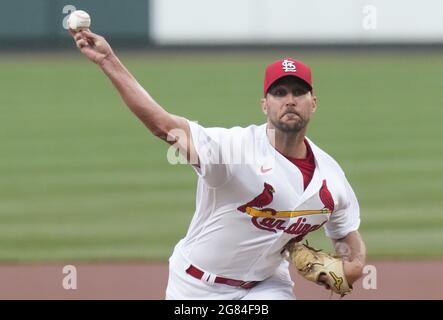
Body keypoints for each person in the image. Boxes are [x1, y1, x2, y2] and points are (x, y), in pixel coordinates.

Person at [69, 28, 366, 300]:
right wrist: (109, 60)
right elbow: (163, 126)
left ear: (313, 102)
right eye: (279, 93)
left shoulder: (331, 179)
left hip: (267, 286)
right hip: (195, 286)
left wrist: (351, 267)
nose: (290, 100)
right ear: (265, 104)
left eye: (298, 92)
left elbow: (345, 236)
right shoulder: (233, 149)